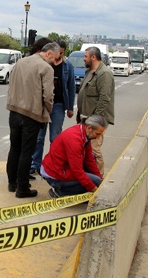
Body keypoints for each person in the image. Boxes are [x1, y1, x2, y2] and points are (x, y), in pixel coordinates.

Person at [6, 41, 61, 198]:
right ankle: (22, 188)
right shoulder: (46, 68)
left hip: (14, 111)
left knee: (14, 148)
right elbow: (48, 96)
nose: (55, 62)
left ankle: (12, 183)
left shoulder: (20, 62)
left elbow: (11, 86)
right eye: (55, 58)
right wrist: (47, 112)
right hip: (32, 114)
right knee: (26, 151)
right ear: (49, 53)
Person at [30, 38, 75, 177]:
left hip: (58, 105)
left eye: (61, 53)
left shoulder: (68, 66)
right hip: (42, 104)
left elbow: (71, 86)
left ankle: (53, 164)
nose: (58, 56)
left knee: (55, 137)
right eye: (57, 53)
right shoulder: (44, 63)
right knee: (38, 137)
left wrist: (70, 107)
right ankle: (34, 164)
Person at [41, 114, 105, 197]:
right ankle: (60, 191)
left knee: (97, 178)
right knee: (94, 182)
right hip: (56, 172)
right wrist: (94, 188)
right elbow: (77, 170)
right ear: (89, 128)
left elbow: (90, 160)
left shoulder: (84, 133)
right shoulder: (74, 140)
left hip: (62, 168)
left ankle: (71, 188)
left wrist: (100, 181)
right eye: (97, 134)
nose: (98, 137)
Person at [76, 46, 115, 177]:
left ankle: (98, 177)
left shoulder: (104, 74)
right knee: (86, 148)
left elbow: (104, 98)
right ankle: (89, 176)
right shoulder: (89, 72)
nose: (84, 59)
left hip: (96, 120)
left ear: (93, 57)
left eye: (85, 56)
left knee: (94, 149)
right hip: (86, 118)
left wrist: (95, 120)